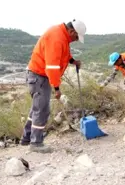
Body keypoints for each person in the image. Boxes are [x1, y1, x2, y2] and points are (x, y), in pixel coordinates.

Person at [20, 19, 87, 153]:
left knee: (36, 108)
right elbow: (52, 67)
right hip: (39, 76)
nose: (75, 40)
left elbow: (64, 54)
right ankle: (36, 143)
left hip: (39, 76)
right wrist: (56, 88)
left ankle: (26, 137)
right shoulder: (57, 38)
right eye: (75, 37)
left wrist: (73, 61)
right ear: (71, 31)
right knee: (42, 109)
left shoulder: (62, 35)